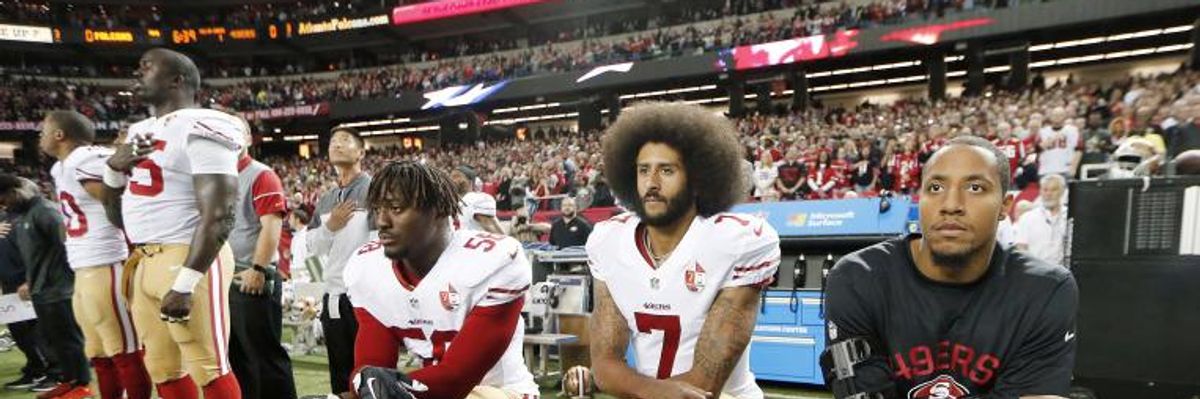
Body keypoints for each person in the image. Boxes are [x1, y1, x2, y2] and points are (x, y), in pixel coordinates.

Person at [822, 136, 1077, 399]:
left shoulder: (1045, 290)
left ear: (1004, 206)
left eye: (975, 188)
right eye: (935, 188)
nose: (951, 205)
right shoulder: (858, 278)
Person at [587, 102, 781, 399]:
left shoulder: (735, 241)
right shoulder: (608, 240)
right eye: (643, 170)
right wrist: (652, 390)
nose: (651, 184)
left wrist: (637, 388)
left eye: (666, 170)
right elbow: (604, 366)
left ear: (696, 178)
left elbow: (702, 385)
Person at [101, 48, 244, 398]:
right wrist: (112, 169)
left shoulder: (205, 122)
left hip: (186, 252)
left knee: (208, 366)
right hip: (142, 259)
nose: (137, 73)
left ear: (177, 79)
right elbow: (116, 215)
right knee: (162, 369)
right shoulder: (138, 130)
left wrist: (187, 281)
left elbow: (221, 213)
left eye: (146, 67)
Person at [345, 161, 539, 399]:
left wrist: (386, 390)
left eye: (396, 208)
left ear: (438, 209)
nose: (382, 222)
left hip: (501, 392)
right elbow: (371, 370)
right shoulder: (368, 268)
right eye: (377, 210)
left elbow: (456, 379)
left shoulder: (493, 261)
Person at [40, 110, 153, 399]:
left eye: (44, 130)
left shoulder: (83, 159)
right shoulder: (61, 167)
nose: (40, 136)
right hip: (85, 269)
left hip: (106, 265)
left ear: (59, 135)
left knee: (124, 351)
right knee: (100, 353)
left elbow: (119, 202)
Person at [0, 174, 93, 399]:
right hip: (41, 289)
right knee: (55, 339)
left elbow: (67, 247)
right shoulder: (24, 215)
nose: (4, 205)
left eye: (4, 199)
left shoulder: (46, 212)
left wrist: (67, 281)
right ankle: (69, 381)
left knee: (70, 339)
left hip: (59, 288)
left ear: (16, 191)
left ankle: (83, 385)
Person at [227, 118, 296, 399]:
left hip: (252, 273)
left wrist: (258, 268)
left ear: (248, 138)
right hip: (226, 276)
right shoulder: (216, 176)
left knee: (264, 354)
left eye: (236, 131)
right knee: (236, 356)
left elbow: (271, 227)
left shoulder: (261, 175)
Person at [306, 126, 374, 395]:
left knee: (368, 370)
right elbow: (312, 246)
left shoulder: (374, 190)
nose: (337, 144)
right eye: (333, 141)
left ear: (361, 151)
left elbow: (382, 243)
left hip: (365, 295)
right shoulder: (326, 200)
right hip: (333, 293)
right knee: (339, 370)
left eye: (345, 140)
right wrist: (330, 226)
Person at [0, 210, 54, 393]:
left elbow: (37, 251)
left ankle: (56, 373)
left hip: (27, 282)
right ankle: (37, 369)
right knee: (19, 331)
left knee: (39, 330)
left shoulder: (14, 221)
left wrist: (30, 280)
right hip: (9, 283)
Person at [1014, 174, 1068, 267]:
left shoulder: (1069, 216)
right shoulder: (1028, 218)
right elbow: (1021, 248)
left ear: (1062, 191)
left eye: (1053, 190)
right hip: (1035, 272)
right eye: (1045, 190)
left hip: (1063, 273)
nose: (1048, 194)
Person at [449, 166, 505, 234]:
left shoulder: (474, 199)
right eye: (452, 177)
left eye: (457, 176)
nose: (453, 180)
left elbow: (491, 226)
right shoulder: (472, 199)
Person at [1036, 107, 1083, 179]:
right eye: (1054, 115)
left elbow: (1079, 150)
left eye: (1060, 115)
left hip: (1065, 169)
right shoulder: (1043, 132)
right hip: (1046, 170)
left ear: (1065, 116)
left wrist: (1073, 167)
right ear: (1051, 117)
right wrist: (1053, 138)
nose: (1057, 117)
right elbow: (1037, 149)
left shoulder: (1072, 130)